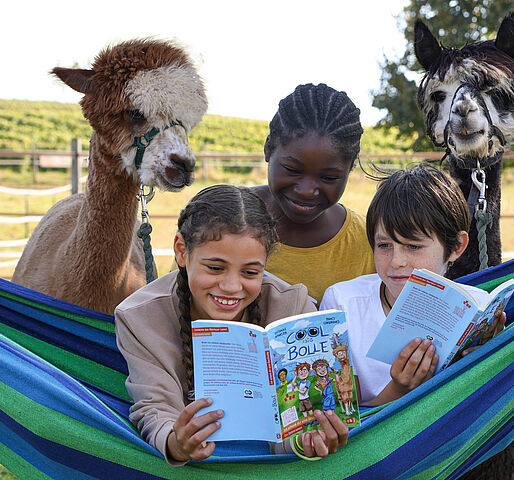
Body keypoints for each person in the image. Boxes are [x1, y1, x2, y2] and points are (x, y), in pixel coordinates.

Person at [115, 184, 348, 466]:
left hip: (272, 467)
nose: (231, 286)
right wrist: (177, 444)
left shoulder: (293, 306)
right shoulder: (140, 317)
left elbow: (298, 419)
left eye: (251, 272)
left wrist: (307, 439)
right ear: (181, 251)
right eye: (215, 268)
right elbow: (154, 406)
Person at [320, 166, 506, 405]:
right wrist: (398, 390)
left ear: (456, 247)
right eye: (384, 245)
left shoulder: (477, 309)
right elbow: (344, 419)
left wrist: (487, 362)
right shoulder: (342, 303)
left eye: (413, 246)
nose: (396, 262)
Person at [253, 83, 376, 306]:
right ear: (268, 149)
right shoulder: (222, 219)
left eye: (329, 178)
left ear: (350, 169)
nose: (307, 191)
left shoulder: (367, 244)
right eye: (292, 170)